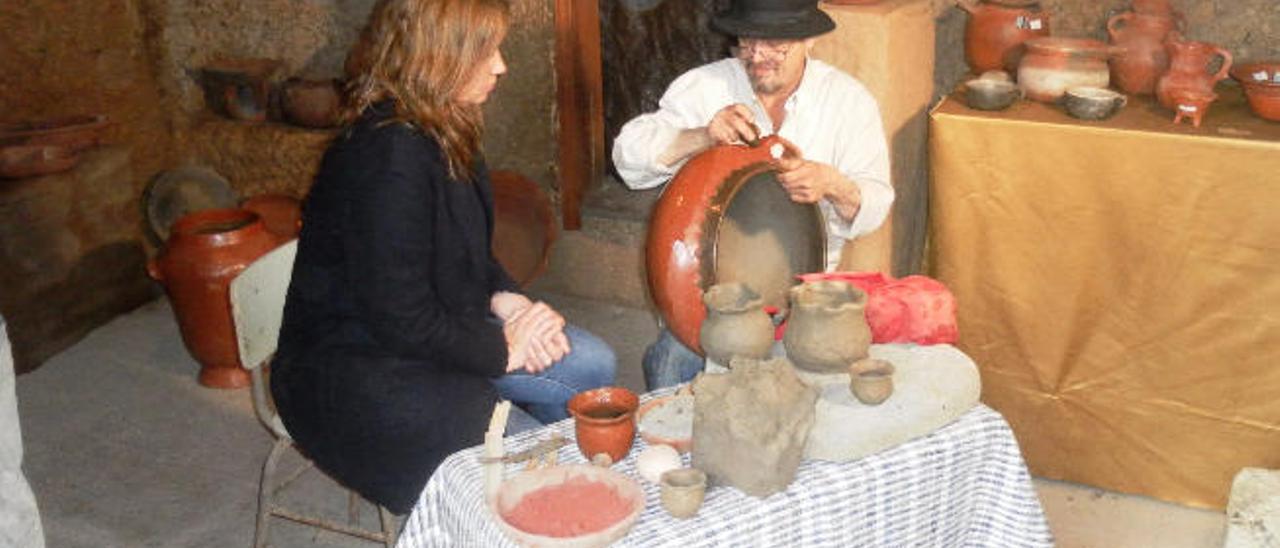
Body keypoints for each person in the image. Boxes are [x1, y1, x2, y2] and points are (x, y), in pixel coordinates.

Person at [271, 0, 616, 515]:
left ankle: (556, 488)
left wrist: (509, 305)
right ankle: (523, 501)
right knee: (525, 474)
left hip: (426, 329)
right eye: (486, 52)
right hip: (357, 369)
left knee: (593, 364)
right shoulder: (387, 159)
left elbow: (467, 252)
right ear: (437, 56)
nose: (501, 65)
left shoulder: (447, 120)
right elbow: (400, 320)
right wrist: (503, 351)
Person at [612, 0, 893, 390]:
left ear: (809, 39)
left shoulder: (848, 101)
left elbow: (876, 202)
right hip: (706, 302)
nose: (758, 57)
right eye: (747, 42)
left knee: (807, 407)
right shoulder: (704, 87)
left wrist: (831, 183)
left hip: (803, 302)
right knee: (673, 374)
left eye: (776, 45)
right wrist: (701, 137)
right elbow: (627, 159)